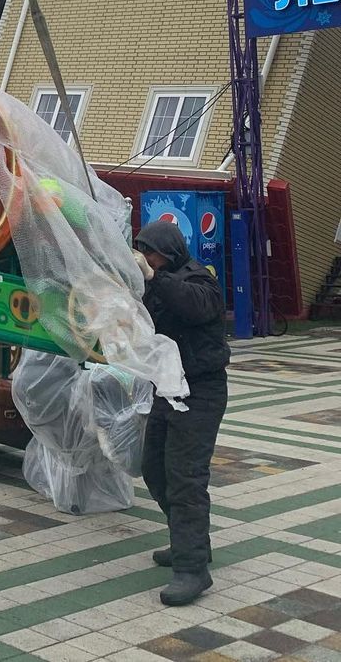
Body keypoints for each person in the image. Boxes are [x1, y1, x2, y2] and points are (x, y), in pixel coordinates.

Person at [136, 219, 229, 607]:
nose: (146, 259)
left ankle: (192, 570)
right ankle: (188, 541)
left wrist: (153, 279)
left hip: (201, 391)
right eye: (141, 251)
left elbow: (191, 307)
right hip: (167, 389)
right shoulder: (155, 282)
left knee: (185, 478)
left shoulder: (199, 280)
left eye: (150, 253)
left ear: (169, 252)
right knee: (153, 468)